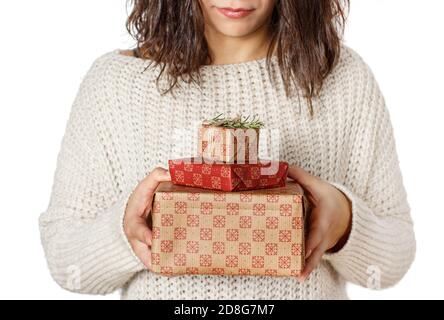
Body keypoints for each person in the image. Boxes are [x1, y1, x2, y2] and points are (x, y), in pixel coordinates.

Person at [39, 0, 416, 299]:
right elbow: (65, 259)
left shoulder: (341, 77)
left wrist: (344, 224)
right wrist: (125, 232)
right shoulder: (115, 85)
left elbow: (393, 260)